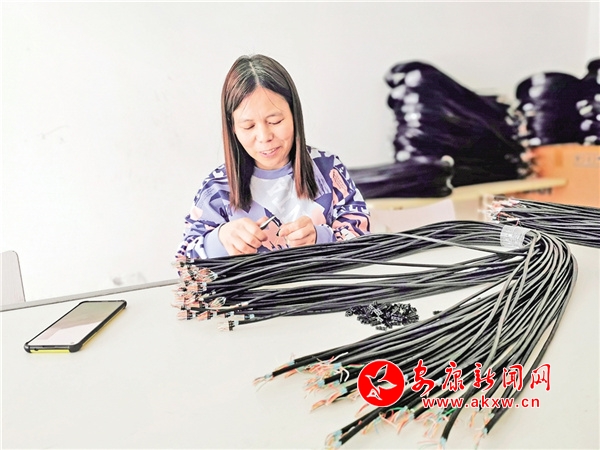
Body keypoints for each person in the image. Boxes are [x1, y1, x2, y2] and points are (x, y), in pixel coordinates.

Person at [176, 54, 370, 259]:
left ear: (294, 114)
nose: (264, 137)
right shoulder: (217, 188)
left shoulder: (327, 169)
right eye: (248, 126)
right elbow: (185, 266)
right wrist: (220, 239)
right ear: (232, 128)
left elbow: (365, 244)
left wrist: (320, 237)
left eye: (275, 121)